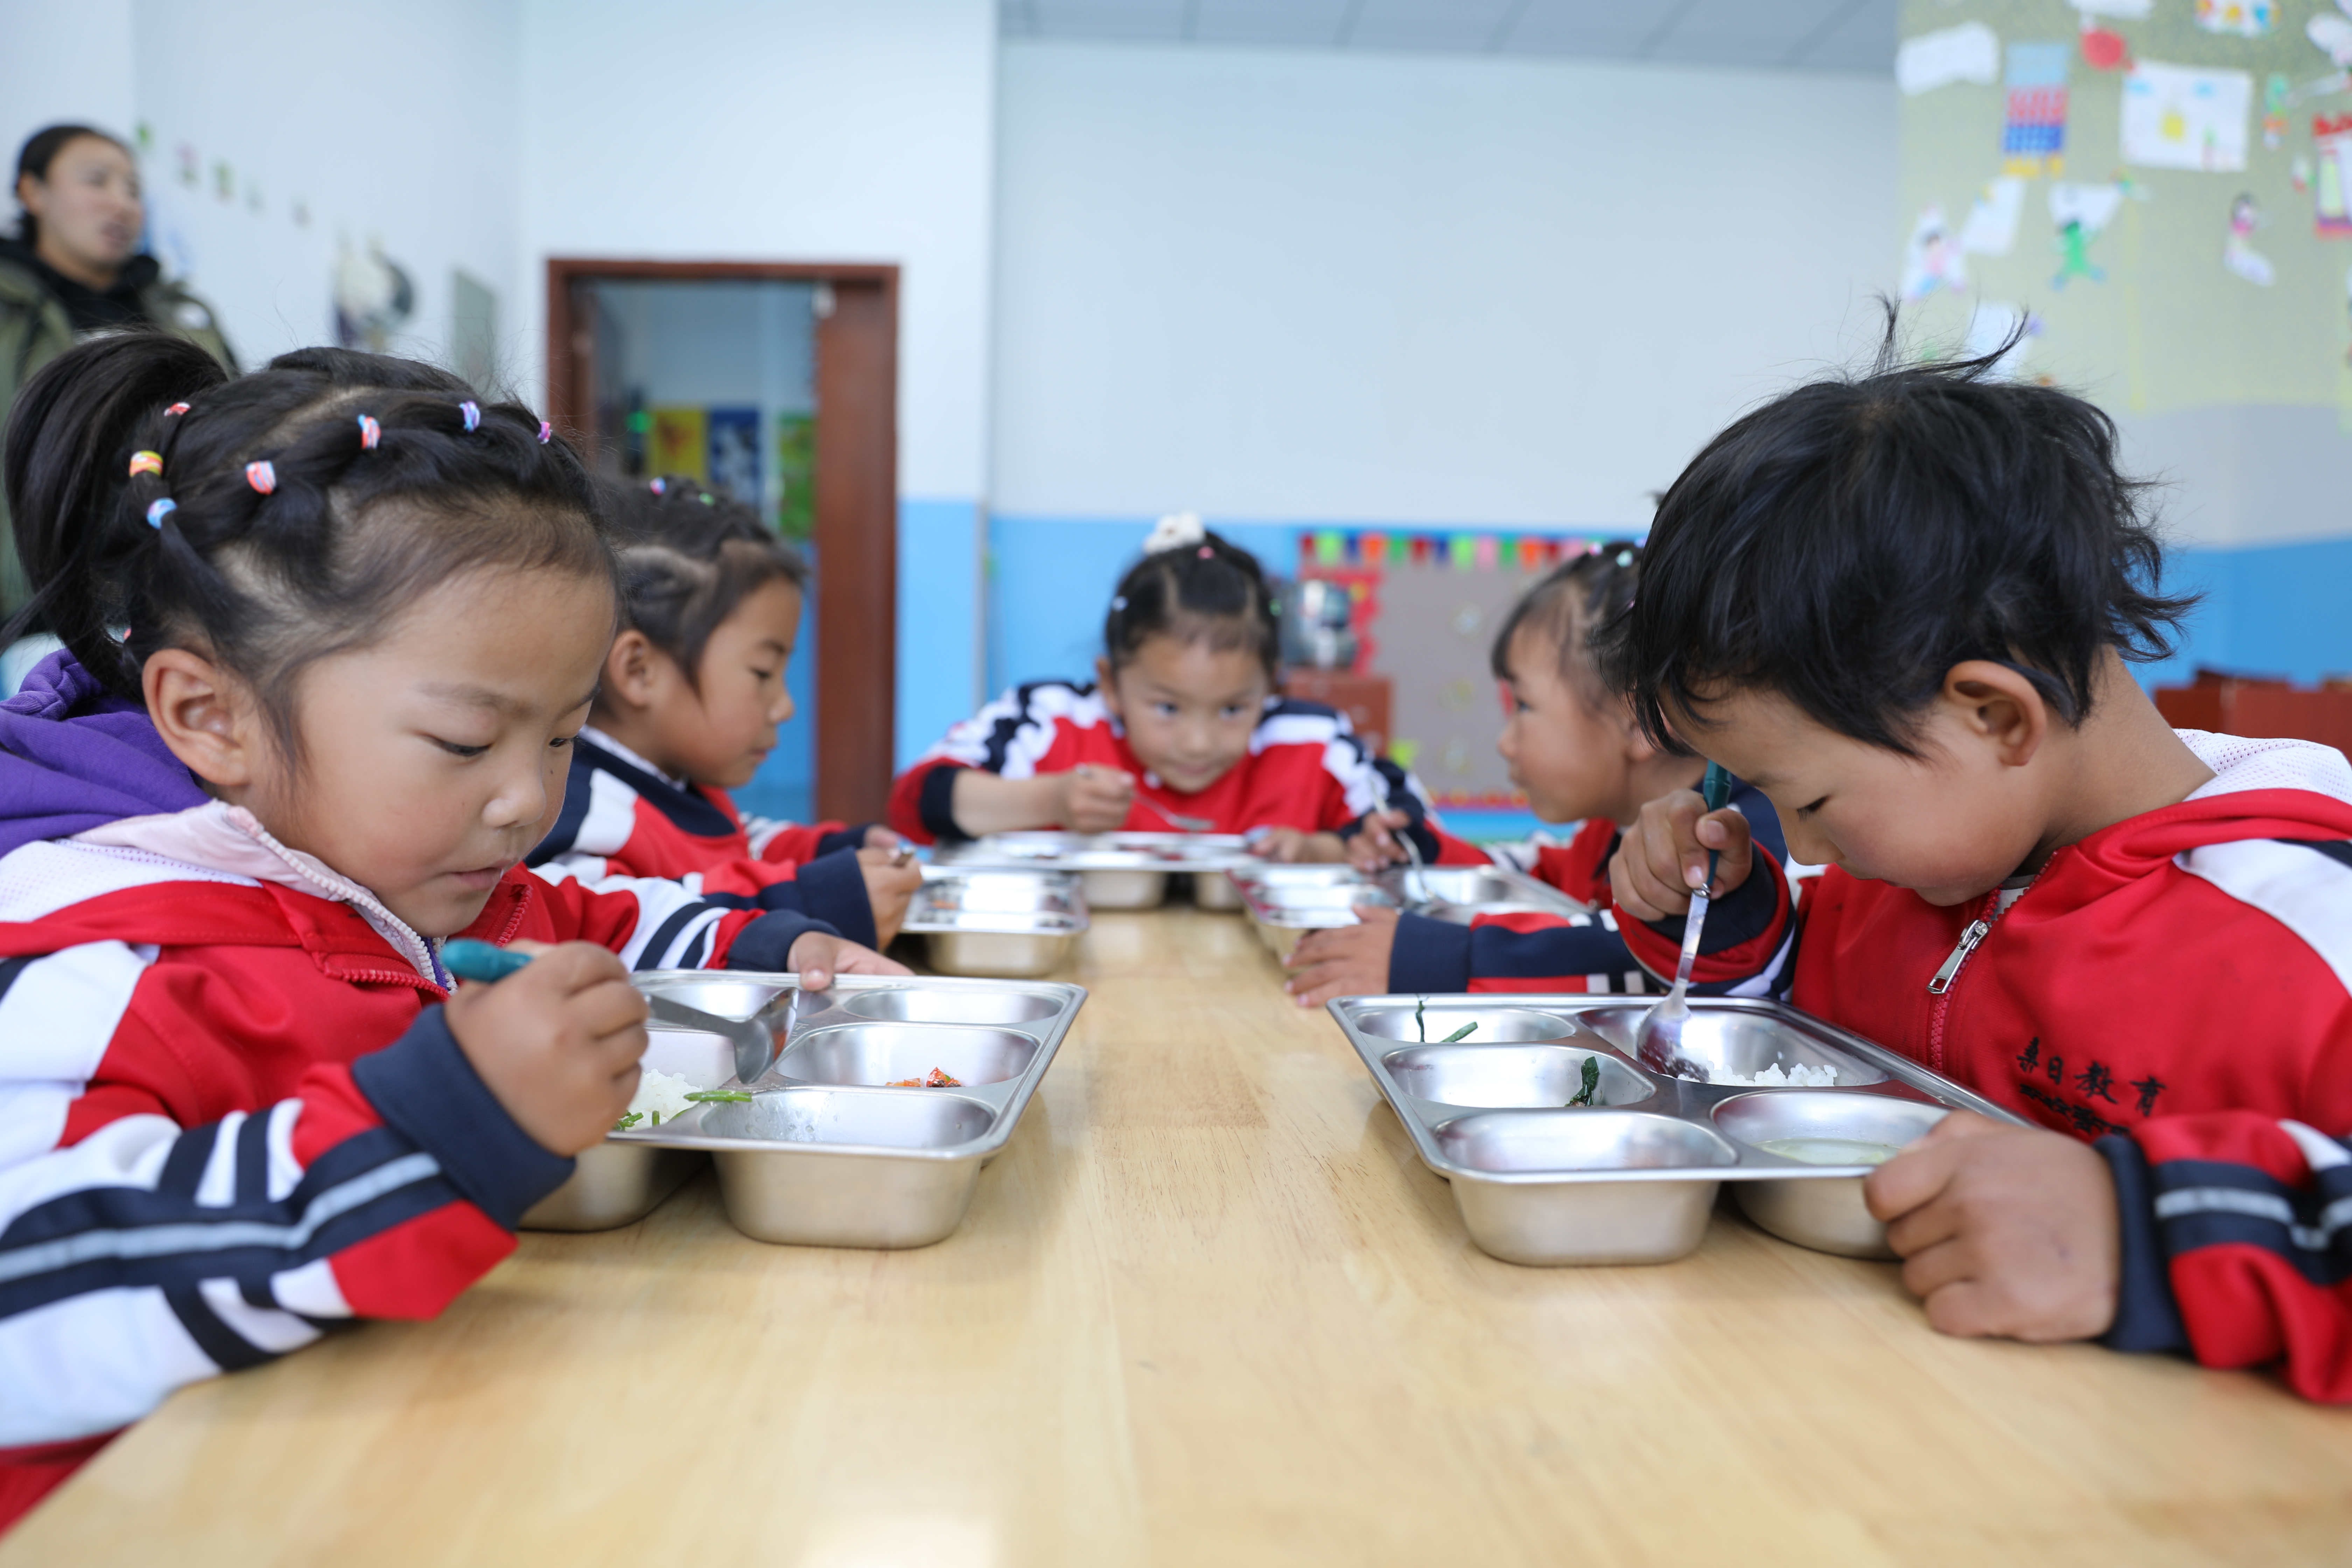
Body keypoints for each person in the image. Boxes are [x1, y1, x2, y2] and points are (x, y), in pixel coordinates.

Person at [0, 334, 903, 1527]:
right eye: (469, 744)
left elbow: (583, 913)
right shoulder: (95, 960)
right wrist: (437, 1124)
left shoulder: (388, 860)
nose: (528, 801)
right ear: (209, 714)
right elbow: (30, 1291)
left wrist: (768, 948)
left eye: (564, 736)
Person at [1596, 329, 2352, 1400]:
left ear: (1995, 716)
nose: (1804, 846)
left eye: (1809, 803)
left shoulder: (2310, 933)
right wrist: (1728, 919)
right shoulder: (1910, 872)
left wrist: (2142, 1229)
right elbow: (1809, 1046)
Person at [1282, 542, 1788, 1007]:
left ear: (1639, 723)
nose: (1506, 741)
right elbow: (1528, 876)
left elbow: (1634, 958)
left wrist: (1437, 960)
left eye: (1524, 705)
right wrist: (1425, 851)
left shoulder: (1739, 841)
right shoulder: (1605, 838)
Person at [888, 512, 1482, 868]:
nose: (1198, 742)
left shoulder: (1310, 741)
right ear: (1111, 685)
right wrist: (1051, 803)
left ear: (1271, 689)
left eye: (1232, 708)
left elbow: (1417, 838)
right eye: (1167, 707)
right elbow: (915, 804)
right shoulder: (1054, 722)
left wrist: (1322, 850)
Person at [528, 476, 922, 949]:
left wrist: (833, 852)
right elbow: (608, 925)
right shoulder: (582, 809)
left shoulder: (686, 786)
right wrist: (815, 899)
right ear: (639, 670)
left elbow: (740, 842)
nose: (785, 706)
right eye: (762, 673)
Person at [1, 125, 234, 645]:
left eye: (132, 189)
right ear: (31, 191)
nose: (122, 204)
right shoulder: (8, 317)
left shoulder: (187, 320)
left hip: (172, 600)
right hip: (26, 613)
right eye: (96, 181)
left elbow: (238, 437)